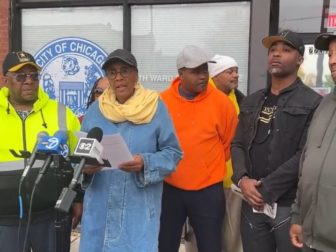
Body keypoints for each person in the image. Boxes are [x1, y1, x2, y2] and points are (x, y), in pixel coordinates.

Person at [79, 49, 182, 252]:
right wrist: (85, 166)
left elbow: (173, 153)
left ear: (136, 74)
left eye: (124, 71)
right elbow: (81, 155)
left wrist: (146, 162)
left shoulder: (155, 108)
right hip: (99, 213)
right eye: (112, 72)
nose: (118, 77)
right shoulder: (95, 111)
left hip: (138, 214)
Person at [231, 30, 322, 252]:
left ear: (300, 59)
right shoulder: (251, 101)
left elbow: (306, 154)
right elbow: (237, 144)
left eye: (286, 50)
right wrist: (242, 180)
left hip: (289, 206)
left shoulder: (312, 102)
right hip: (251, 203)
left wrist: (267, 188)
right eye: (273, 50)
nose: (276, 54)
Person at [159, 45, 238, 252]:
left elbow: (229, 144)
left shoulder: (222, 103)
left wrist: (204, 166)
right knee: (165, 244)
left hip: (208, 190)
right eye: (196, 71)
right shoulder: (162, 102)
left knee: (211, 245)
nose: (203, 76)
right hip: (169, 187)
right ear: (181, 74)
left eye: (205, 70)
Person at [0, 51, 81, 252]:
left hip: (52, 217)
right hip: (5, 220)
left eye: (34, 76)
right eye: (21, 76)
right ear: (6, 81)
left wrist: (78, 199)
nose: (29, 81)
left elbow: (80, 159)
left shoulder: (61, 112)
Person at [184, 54, 245, 252]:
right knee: (200, 238)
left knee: (232, 237)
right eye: (230, 71)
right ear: (215, 75)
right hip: (202, 183)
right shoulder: (197, 99)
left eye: (236, 71)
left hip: (233, 183)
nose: (235, 75)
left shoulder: (243, 101)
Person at [289, 32, 336, 252]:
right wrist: (299, 217)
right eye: (331, 54)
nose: (333, 60)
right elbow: (306, 166)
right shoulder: (324, 105)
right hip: (311, 239)